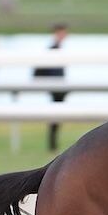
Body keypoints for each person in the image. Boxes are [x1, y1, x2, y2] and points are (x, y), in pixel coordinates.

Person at [34, 21, 69, 152]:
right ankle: (52, 145)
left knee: (56, 117)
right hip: (55, 87)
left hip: (58, 86)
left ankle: (53, 145)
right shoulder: (53, 49)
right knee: (55, 117)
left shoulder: (57, 48)